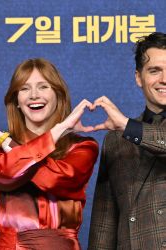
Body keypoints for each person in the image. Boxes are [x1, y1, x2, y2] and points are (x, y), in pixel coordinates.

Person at [0, 58, 99, 250]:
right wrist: (0, 139)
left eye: (43, 87)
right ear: (16, 101)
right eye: (24, 88)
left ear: (58, 96)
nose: (34, 95)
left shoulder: (82, 146)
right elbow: (6, 173)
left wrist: (1, 138)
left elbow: (54, 179)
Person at [88, 32, 166, 250]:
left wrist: (127, 126)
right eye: (154, 71)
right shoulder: (116, 139)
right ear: (138, 77)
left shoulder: (126, 129)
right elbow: (104, 222)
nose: (164, 79)